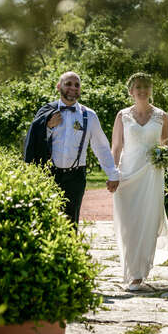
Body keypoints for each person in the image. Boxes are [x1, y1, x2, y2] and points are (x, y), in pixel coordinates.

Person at [23, 71, 119, 225]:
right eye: (68, 84)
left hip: (75, 177)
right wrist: (47, 126)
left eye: (76, 85)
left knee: (70, 222)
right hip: (48, 175)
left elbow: (101, 146)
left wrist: (112, 174)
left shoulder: (89, 115)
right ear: (58, 86)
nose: (73, 88)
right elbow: (33, 140)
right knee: (45, 220)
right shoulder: (46, 112)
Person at [110, 72, 168, 291]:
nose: (142, 90)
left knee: (148, 222)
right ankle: (130, 269)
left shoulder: (162, 116)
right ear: (131, 91)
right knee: (128, 225)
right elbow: (116, 147)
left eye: (146, 86)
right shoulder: (122, 115)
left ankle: (139, 274)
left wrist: (165, 155)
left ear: (151, 90)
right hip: (127, 176)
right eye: (138, 87)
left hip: (151, 176)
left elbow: (165, 145)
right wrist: (113, 173)